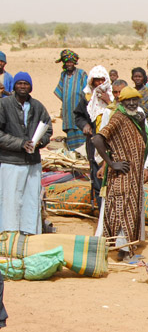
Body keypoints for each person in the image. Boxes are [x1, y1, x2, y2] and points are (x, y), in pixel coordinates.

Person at [92, 87, 148, 261]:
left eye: (135, 100)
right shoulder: (118, 117)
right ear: (121, 102)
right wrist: (111, 164)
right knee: (122, 210)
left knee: (131, 210)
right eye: (128, 100)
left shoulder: (137, 117)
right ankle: (123, 251)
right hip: (122, 175)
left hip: (134, 175)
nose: (132, 103)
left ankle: (125, 250)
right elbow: (97, 139)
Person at [0, 72, 53, 235]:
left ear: (31, 87)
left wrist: (39, 142)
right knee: (10, 200)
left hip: (32, 162)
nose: (23, 86)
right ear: (14, 86)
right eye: (19, 83)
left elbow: (48, 129)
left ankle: (29, 235)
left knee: (31, 200)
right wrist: (20, 144)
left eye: (26, 84)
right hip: (11, 162)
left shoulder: (37, 106)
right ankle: (8, 236)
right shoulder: (4, 105)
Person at [73, 65, 114, 210]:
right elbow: (78, 116)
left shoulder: (114, 96)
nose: (98, 84)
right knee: (97, 179)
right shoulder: (87, 99)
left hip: (112, 146)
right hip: (94, 144)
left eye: (101, 80)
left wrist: (109, 101)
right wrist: (85, 125)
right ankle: (101, 213)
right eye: (95, 81)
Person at [54, 49, 88, 150]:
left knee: (82, 134)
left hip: (80, 111)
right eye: (66, 62)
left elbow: (87, 92)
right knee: (71, 135)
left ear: (74, 62)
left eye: (70, 62)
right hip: (68, 113)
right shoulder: (63, 75)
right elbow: (61, 93)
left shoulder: (81, 74)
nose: (68, 64)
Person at [131, 67, 148, 133]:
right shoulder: (130, 92)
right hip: (132, 124)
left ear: (143, 78)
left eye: (140, 77)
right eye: (135, 77)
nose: (137, 79)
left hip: (145, 124)